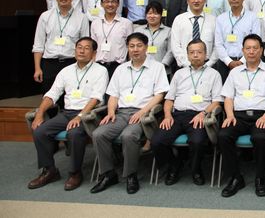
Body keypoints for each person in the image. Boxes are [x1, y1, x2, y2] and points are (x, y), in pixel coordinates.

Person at [90, 32, 169, 194]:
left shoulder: (157, 67)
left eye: (139, 46)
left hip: (144, 113)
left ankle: (130, 175)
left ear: (146, 47)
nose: (135, 49)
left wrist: (143, 112)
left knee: (129, 135)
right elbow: (113, 94)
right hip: (121, 112)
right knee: (98, 134)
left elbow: (160, 94)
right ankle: (108, 174)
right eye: (131, 46)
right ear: (127, 48)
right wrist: (110, 111)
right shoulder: (120, 69)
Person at [28, 37, 108, 191]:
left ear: (94, 53)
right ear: (74, 50)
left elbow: (96, 98)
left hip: (88, 114)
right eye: (79, 47)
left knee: (74, 133)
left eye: (86, 48)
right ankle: (49, 170)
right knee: (40, 131)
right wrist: (39, 113)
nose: (82, 51)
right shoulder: (66, 71)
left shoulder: (100, 71)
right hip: (66, 113)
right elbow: (52, 94)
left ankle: (75, 172)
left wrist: (80, 117)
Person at [218, 34, 265, 197]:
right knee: (223, 136)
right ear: (243, 51)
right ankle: (235, 177)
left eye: (255, 48)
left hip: (261, 115)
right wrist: (229, 115)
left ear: (261, 50)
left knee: (260, 138)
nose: (251, 51)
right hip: (238, 116)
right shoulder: (234, 72)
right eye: (248, 48)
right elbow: (228, 97)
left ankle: (260, 178)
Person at [151, 39, 223, 185]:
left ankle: (196, 169)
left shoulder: (214, 74)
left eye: (199, 52)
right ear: (188, 55)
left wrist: (203, 114)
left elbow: (217, 101)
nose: (195, 55)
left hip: (199, 115)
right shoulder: (179, 74)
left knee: (197, 142)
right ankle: (174, 165)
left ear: (206, 54)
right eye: (192, 52)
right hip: (177, 115)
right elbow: (169, 99)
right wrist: (167, 116)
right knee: (157, 141)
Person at [33, 0, 90, 94]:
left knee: (71, 98)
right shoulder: (45, 16)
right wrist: (37, 68)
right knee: (49, 98)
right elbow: (38, 45)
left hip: (72, 63)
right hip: (50, 64)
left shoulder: (82, 18)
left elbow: (85, 45)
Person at [214, 0, 261, 82]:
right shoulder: (220, 19)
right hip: (224, 64)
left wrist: (242, 61)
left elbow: (256, 42)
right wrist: (229, 62)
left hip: (248, 62)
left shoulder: (253, 18)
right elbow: (218, 44)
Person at [171, 0, 217, 69]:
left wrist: (209, 64)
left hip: (208, 66)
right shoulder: (179, 19)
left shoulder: (213, 20)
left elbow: (217, 45)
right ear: (187, 1)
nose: (196, 0)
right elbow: (175, 45)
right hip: (184, 66)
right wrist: (186, 64)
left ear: (205, 0)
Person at [91, 0, 133, 77]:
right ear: (101, 4)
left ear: (118, 4)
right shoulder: (95, 23)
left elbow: (130, 47)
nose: (110, 4)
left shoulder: (127, 23)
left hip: (119, 66)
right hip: (98, 66)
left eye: (113, 2)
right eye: (106, 2)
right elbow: (93, 47)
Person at [134, 1, 174, 78]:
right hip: (141, 70)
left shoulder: (169, 31)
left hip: (163, 71)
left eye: (155, 13)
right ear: (146, 15)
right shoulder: (138, 30)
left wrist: (162, 66)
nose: (152, 16)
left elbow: (171, 51)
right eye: (149, 13)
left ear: (161, 15)